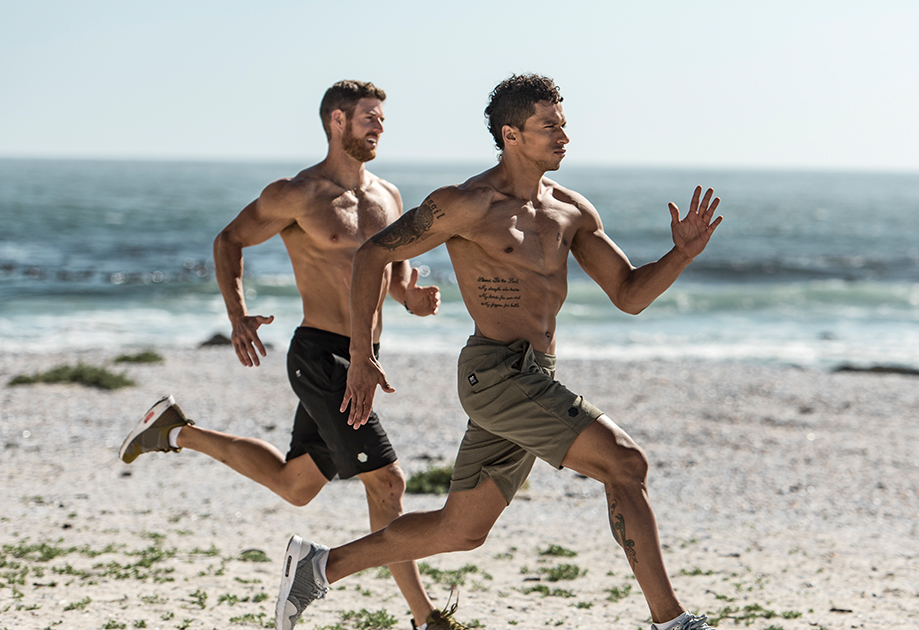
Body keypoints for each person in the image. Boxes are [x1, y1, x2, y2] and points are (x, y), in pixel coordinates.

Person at [274, 74, 725, 630]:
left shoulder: (571, 211)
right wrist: (363, 356)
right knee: (625, 464)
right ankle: (670, 620)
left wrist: (679, 255)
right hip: (497, 371)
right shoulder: (466, 205)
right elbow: (371, 255)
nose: (563, 135)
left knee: (459, 530)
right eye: (549, 125)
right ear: (512, 135)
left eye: (563, 123)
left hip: (535, 375)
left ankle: (318, 568)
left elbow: (629, 294)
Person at [117, 80, 465, 630]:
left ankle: (175, 430)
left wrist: (413, 299)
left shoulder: (390, 197)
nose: (379, 126)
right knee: (389, 482)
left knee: (294, 484)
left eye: (382, 118)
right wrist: (237, 315)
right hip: (322, 355)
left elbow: (391, 276)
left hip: (364, 356)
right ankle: (424, 617)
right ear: (336, 121)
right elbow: (228, 240)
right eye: (368, 117)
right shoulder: (299, 193)